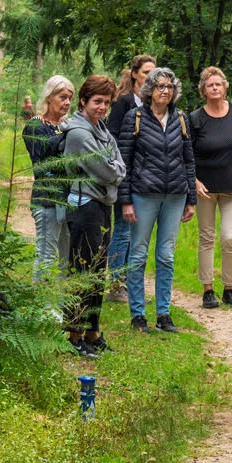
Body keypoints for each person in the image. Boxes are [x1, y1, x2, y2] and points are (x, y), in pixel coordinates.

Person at [118, 66, 196, 334]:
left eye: (170, 87)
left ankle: (163, 313)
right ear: (150, 90)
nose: (165, 91)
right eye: (161, 86)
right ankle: (138, 314)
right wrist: (125, 200)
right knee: (138, 254)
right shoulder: (135, 117)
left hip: (175, 195)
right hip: (143, 194)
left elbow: (188, 160)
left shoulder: (181, 119)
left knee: (166, 255)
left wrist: (191, 200)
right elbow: (124, 160)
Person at [58, 74, 126, 358]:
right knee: (82, 272)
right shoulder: (79, 133)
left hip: (102, 205)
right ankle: (73, 334)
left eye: (107, 102)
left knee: (98, 273)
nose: (102, 107)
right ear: (84, 101)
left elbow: (119, 166)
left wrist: (113, 170)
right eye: (97, 101)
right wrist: (113, 171)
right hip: (85, 207)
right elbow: (108, 171)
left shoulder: (102, 130)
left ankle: (92, 332)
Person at [189, 65, 232, 310]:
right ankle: (207, 290)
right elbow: (187, 153)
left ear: (225, 87)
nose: (214, 88)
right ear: (203, 90)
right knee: (206, 237)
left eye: (218, 84)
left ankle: (229, 288)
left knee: (229, 237)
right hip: (205, 188)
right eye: (209, 85)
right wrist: (194, 181)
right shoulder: (195, 118)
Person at [106, 55, 158, 302]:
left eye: (154, 72)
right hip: (125, 177)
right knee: (123, 231)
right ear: (135, 74)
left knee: (138, 234)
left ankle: (131, 285)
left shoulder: (153, 105)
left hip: (147, 178)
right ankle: (116, 285)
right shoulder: (124, 103)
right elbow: (112, 138)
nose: (151, 77)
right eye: (146, 72)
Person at [23, 74, 74, 283]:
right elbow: (43, 162)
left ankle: (63, 309)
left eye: (70, 97)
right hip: (46, 200)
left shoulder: (67, 124)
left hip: (68, 200)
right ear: (49, 97)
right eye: (62, 97)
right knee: (45, 256)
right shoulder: (36, 126)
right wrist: (66, 134)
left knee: (67, 259)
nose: (67, 102)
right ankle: (38, 308)